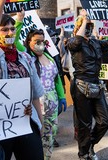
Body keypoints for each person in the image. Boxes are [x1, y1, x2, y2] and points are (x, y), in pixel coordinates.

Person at [0, 0, 44, 160]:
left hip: (26, 122)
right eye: (4, 29)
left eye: (12, 29)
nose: (10, 32)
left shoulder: (25, 58)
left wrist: (38, 124)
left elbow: (35, 95)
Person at [68, 9, 108, 160]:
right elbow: (77, 42)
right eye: (87, 25)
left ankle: (88, 144)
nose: (89, 28)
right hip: (80, 86)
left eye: (91, 25)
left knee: (105, 120)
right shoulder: (72, 42)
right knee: (84, 123)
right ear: (78, 27)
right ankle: (84, 153)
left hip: (96, 85)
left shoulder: (96, 43)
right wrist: (84, 19)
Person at [21, 28, 67, 159]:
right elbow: (17, 37)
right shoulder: (27, 57)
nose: (40, 44)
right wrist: (20, 18)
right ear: (29, 42)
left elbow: (56, 79)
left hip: (52, 101)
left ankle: (47, 157)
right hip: (37, 103)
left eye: (42, 41)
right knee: (40, 134)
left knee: (51, 133)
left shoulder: (48, 56)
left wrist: (62, 96)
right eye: (36, 41)